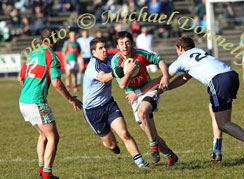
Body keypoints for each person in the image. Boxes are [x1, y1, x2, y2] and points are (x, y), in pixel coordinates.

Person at [167, 36, 244, 163]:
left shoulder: (182, 58)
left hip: (218, 81)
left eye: (177, 50)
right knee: (213, 108)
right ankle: (217, 151)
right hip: (231, 75)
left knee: (224, 123)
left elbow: (167, 76)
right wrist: (168, 88)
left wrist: (153, 89)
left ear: (180, 48)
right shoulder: (200, 52)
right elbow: (185, 78)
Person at [18, 28, 82, 179]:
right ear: (54, 41)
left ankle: (42, 172)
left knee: (44, 136)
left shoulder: (31, 54)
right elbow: (56, 82)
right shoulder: (51, 55)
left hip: (23, 102)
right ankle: (47, 175)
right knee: (54, 137)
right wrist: (70, 99)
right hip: (36, 102)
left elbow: (21, 78)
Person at [111, 31, 178, 166]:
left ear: (132, 43)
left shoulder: (140, 54)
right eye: (121, 43)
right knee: (151, 133)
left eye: (127, 42)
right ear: (117, 46)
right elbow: (122, 85)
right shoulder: (115, 62)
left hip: (149, 90)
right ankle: (170, 156)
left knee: (143, 113)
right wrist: (129, 71)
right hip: (133, 97)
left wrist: (165, 75)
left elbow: (159, 60)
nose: (125, 46)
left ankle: (153, 148)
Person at [83, 38, 148, 168]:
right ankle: (111, 146)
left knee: (124, 133)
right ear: (93, 52)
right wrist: (114, 73)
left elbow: (124, 59)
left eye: (105, 47)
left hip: (109, 105)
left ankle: (141, 163)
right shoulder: (92, 66)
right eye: (100, 48)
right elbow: (102, 78)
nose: (104, 50)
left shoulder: (111, 59)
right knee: (111, 144)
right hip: (92, 111)